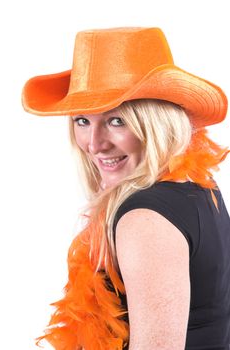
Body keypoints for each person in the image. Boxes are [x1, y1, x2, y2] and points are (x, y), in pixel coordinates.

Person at [22, 27, 230, 350]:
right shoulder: (195, 190)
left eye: (116, 120)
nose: (94, 144)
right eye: (82, 120)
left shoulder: (144, 219)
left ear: (155, 121)